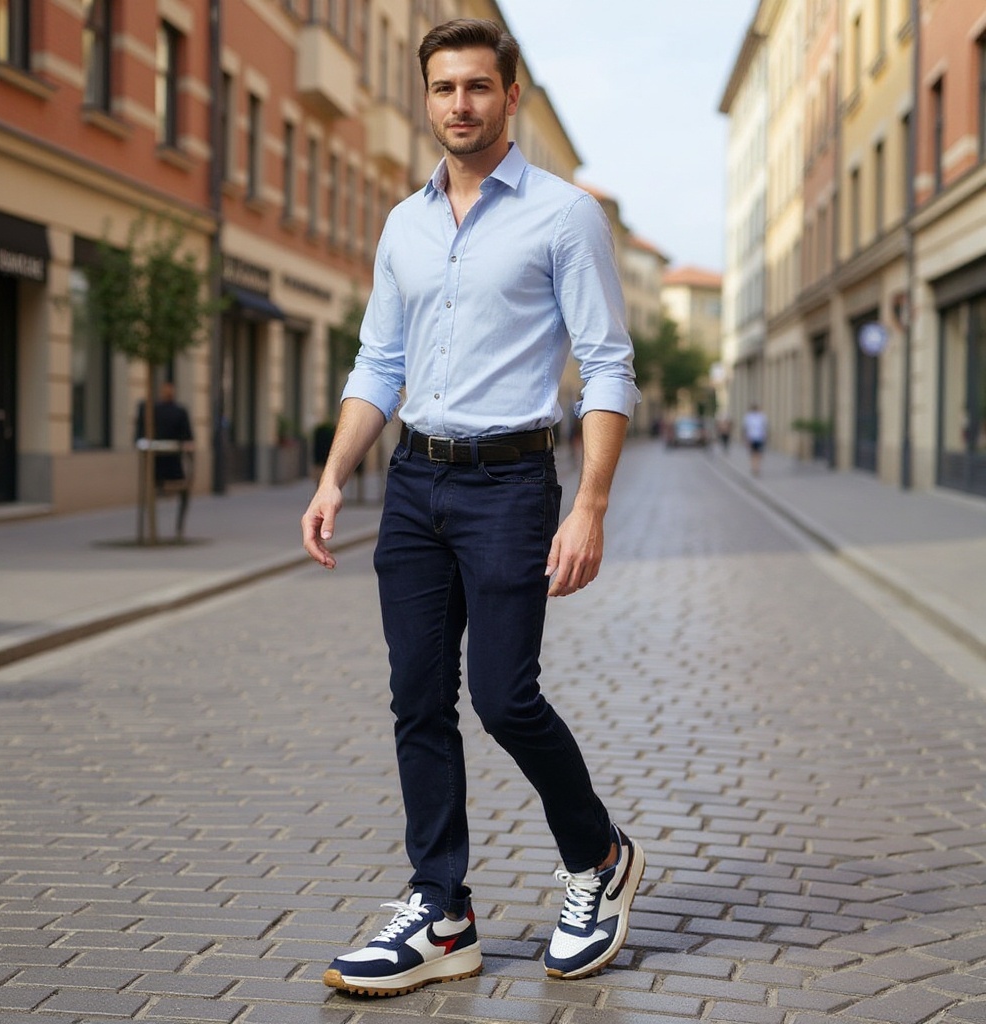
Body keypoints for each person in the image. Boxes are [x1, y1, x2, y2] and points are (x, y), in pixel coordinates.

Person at [301, 18, 644, 998]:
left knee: (501, 693)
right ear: (427, 97)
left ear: (510, 97)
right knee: (417, 697)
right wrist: (334, 477)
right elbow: (379, 362)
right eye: (444, 87)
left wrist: (592, 503)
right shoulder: (401, 223)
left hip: (508, 484)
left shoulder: (564, 214)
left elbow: (607, 363)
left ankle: (599, 858)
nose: (460, 103)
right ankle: (441, 910)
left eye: (478, 87)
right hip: (413, 480)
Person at [135, 381, 194, 537]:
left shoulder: (178, 411)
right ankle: (154, 530)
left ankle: (176, 529)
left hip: (168, 463)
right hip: (163, 463)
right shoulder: (156, 410)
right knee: (170, 490)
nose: (167, 392)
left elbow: (188, 437)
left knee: (180, 490)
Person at [742, 402, 768, 477]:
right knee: (754, 453)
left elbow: (765, 427)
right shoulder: (749, 417)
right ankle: (754, 467)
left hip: (758, 437)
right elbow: (745, 428)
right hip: (752, 438)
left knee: (757, 454)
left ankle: (756, 467)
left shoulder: (762, 416)